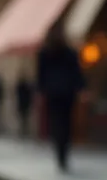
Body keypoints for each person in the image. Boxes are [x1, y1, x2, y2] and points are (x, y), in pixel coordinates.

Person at [36, 23, 85, 171]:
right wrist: (81, 88)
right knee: (66, 122)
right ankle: (63, 153)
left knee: (57, 123)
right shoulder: (69, 52)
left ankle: (60, 152)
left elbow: (41, 75)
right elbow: (76, 72)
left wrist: (40, 91)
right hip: (67, 92)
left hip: (53, 92)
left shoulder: (45, 53)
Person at [15, 73, 34, 138]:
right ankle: (23, 131)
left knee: (23, 119)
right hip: (24, 104)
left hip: (23, 104)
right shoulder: (25, 87)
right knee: (23, 119)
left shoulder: (22, 87)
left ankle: (23, 132)